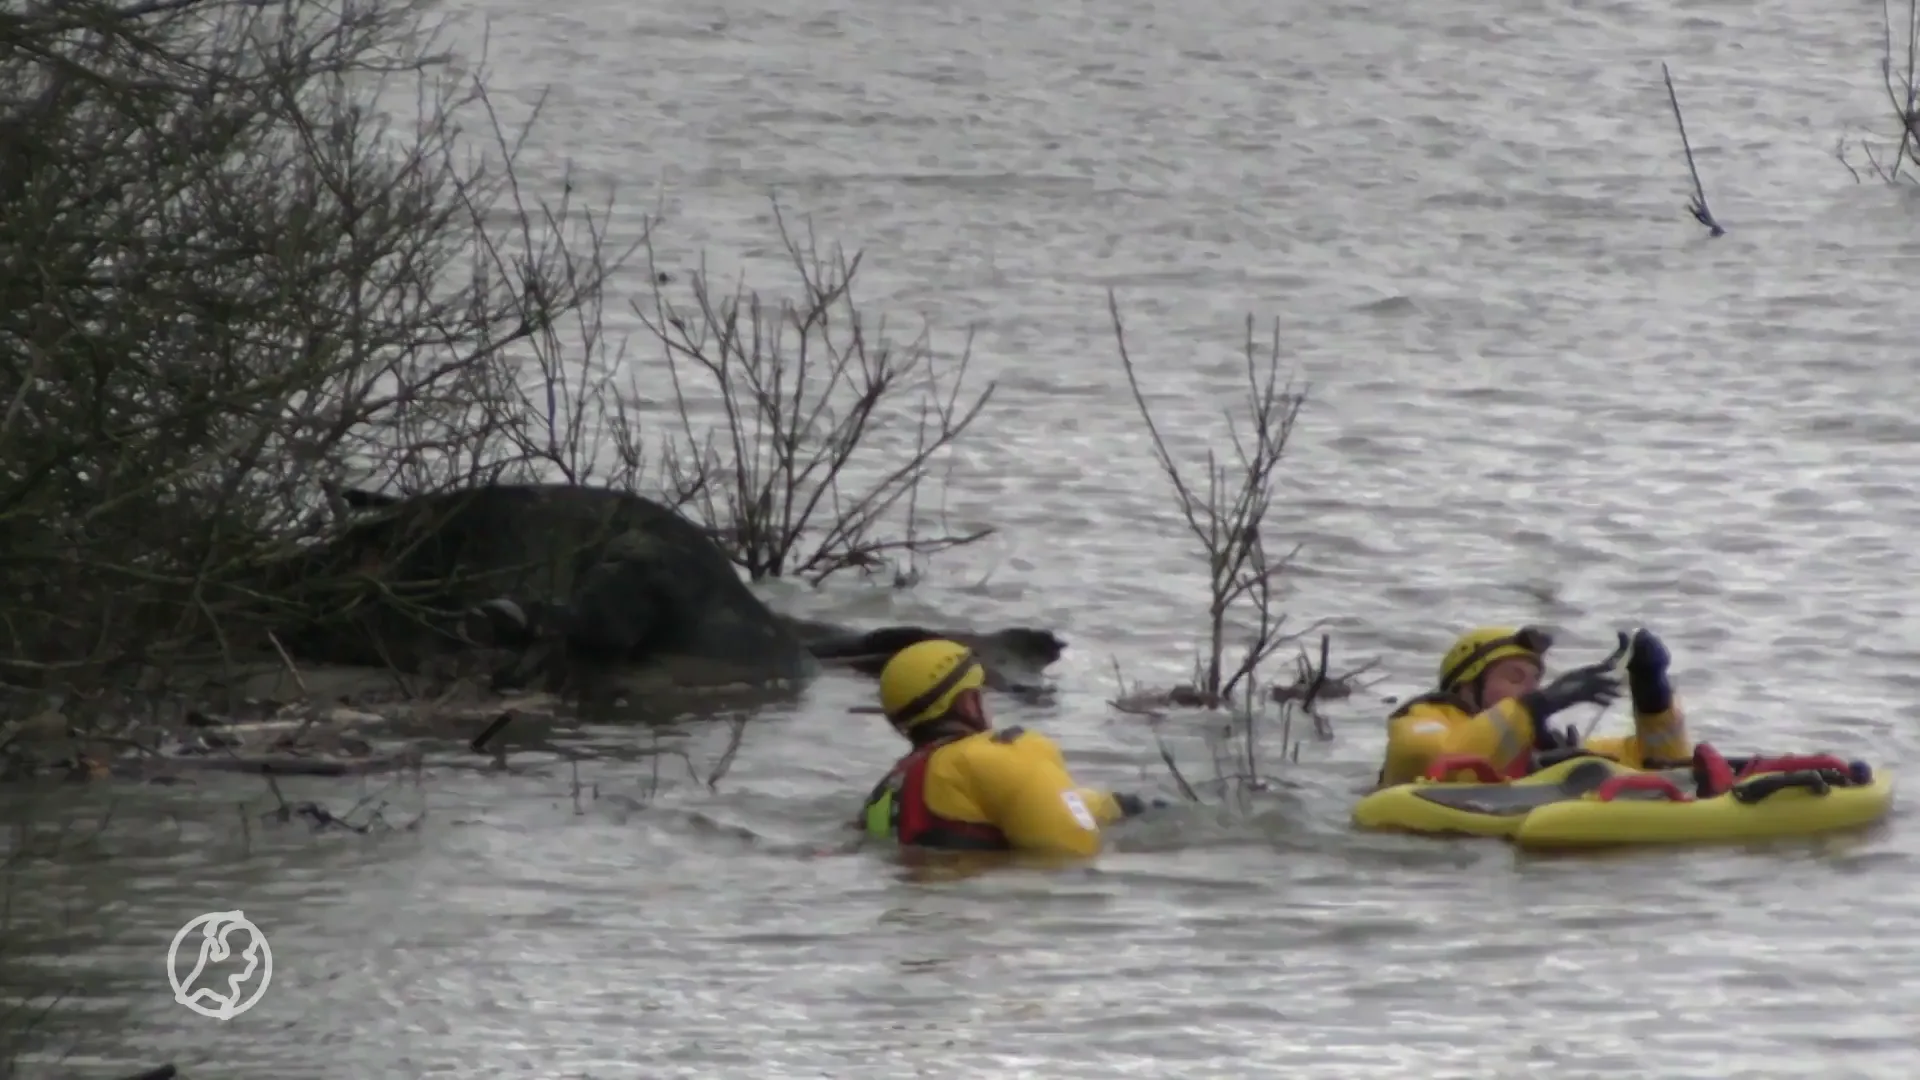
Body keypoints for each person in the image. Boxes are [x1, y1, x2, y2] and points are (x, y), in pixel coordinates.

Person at [858, 638, 1159, 858]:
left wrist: (1110, 806)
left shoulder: (887, 789)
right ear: (966, 702)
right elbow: (1072, 848)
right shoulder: (995, 756)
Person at [1375, 624, 1690, 787]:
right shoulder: (1422, 720)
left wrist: (1652, 693)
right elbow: (1438, 757)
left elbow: (1660, 762)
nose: (1530, 690)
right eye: (1514, 677)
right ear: (1467, 687)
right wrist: (1538, 705)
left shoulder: (1535, 740)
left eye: (1536, 681)